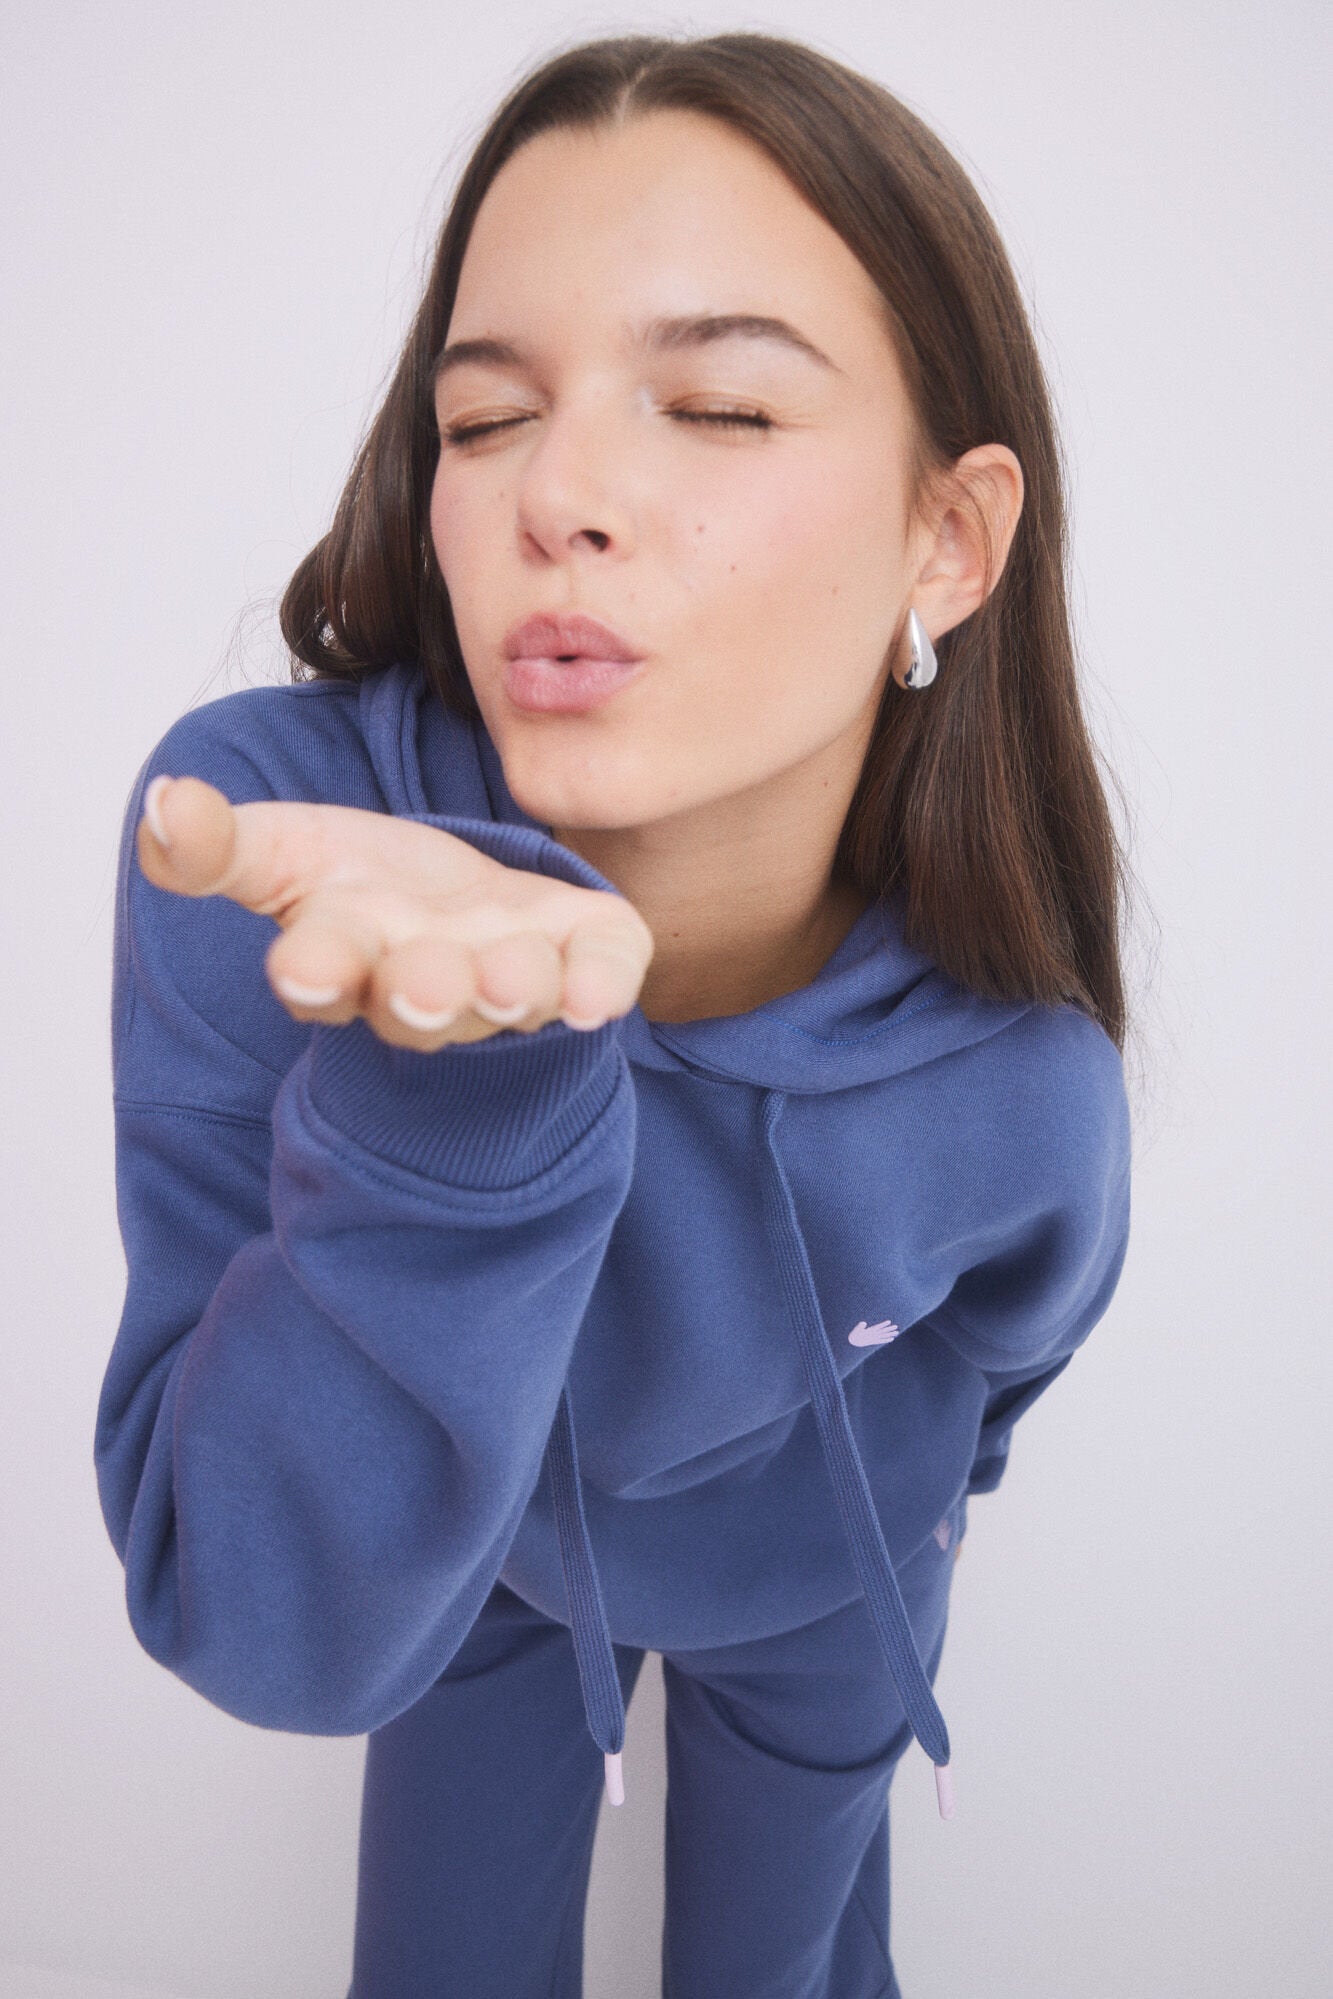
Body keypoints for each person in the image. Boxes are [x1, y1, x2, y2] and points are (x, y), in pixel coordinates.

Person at [93, 29, 1135, 1999]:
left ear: (948, 539)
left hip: (827, 1584)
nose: (554, 494)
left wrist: (918, 1521)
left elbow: (1005, 1343)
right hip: (481, 1562)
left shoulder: (1024, 1078)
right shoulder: (272, 851)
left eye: (721, 405)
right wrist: (451, 1098)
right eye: (481, 422)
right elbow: (250, 1622)